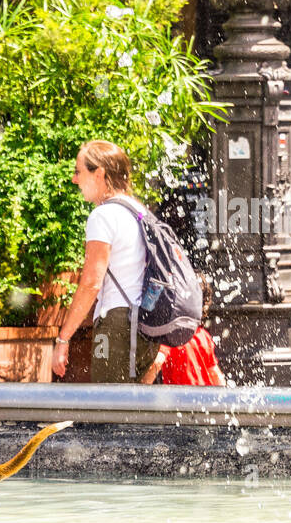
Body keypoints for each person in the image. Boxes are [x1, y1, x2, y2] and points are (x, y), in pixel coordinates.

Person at [52, 140, 160, 382]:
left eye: (79, 171)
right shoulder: (139, 211)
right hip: (146, 325)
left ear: (99, 173)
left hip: (118, 324)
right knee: (132, 412)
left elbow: (91, 283)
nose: (74, 179)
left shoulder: (103, 215)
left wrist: (63, 339)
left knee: (109, 408)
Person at [140, 277, 226, 386]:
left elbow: (157, 362)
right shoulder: (203, 335)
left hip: (181, 399)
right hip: (204, 398)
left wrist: (142, 389)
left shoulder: (171, 337)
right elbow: (215, 375)